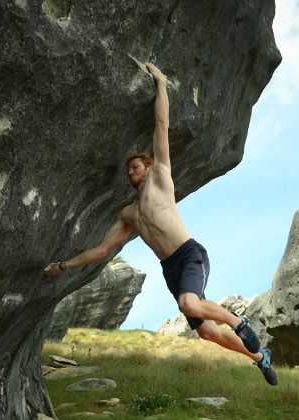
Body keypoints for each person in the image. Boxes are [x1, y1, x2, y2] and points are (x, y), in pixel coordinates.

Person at [45, 62, 277, 386]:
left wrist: (161, 83)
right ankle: (259, 357)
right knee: (207, 333)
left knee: (188, 303)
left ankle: (239, 322)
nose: (132, 173)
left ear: (148, 165)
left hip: (189, 254)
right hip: (170, 269)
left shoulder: (161, 177)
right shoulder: (129, 214)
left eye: (136, 167)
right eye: (129, 171)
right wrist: (64, 265)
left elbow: (161, 123)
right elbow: (102, 250)